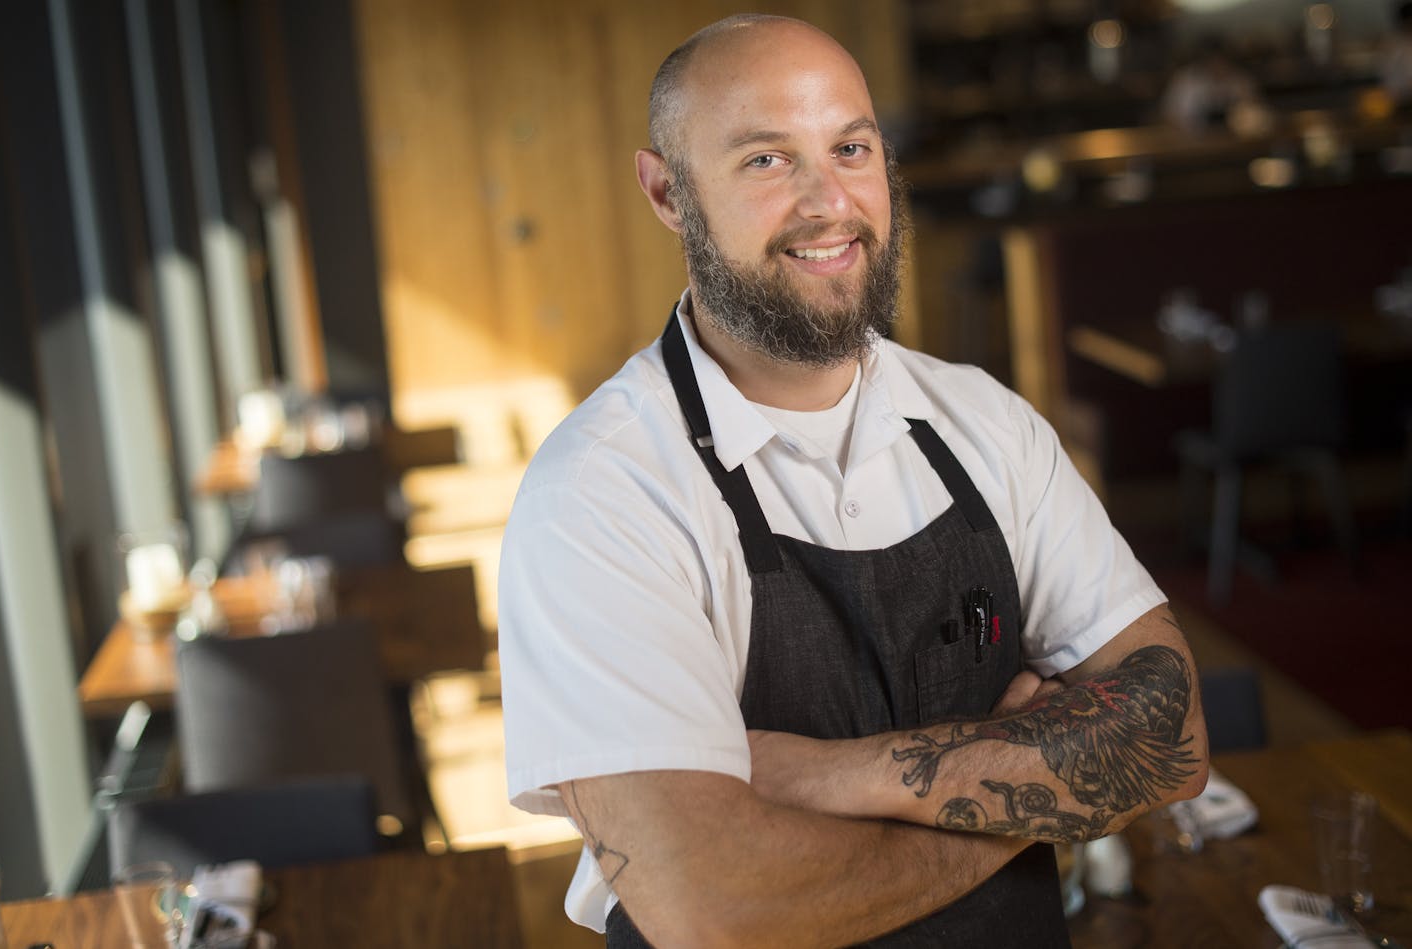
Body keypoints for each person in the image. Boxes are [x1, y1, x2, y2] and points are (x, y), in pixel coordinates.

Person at [499, 14, 1208, 947]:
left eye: (851, 147)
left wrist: (830, 774)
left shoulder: (984, 424)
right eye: (766, 160)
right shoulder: (600, 495)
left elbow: (1173, 733)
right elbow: (713, 909)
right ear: (668, 192)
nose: (828, 202)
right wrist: (1028, 799)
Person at [1160, 36, 1263, 133]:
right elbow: (1170, 116)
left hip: (1235, 140)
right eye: (1213, 61)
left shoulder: (1240, 80)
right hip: (1192, 142)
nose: (1218, 66)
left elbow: (1256, 111)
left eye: (1222, 61)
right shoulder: (1185, 81)